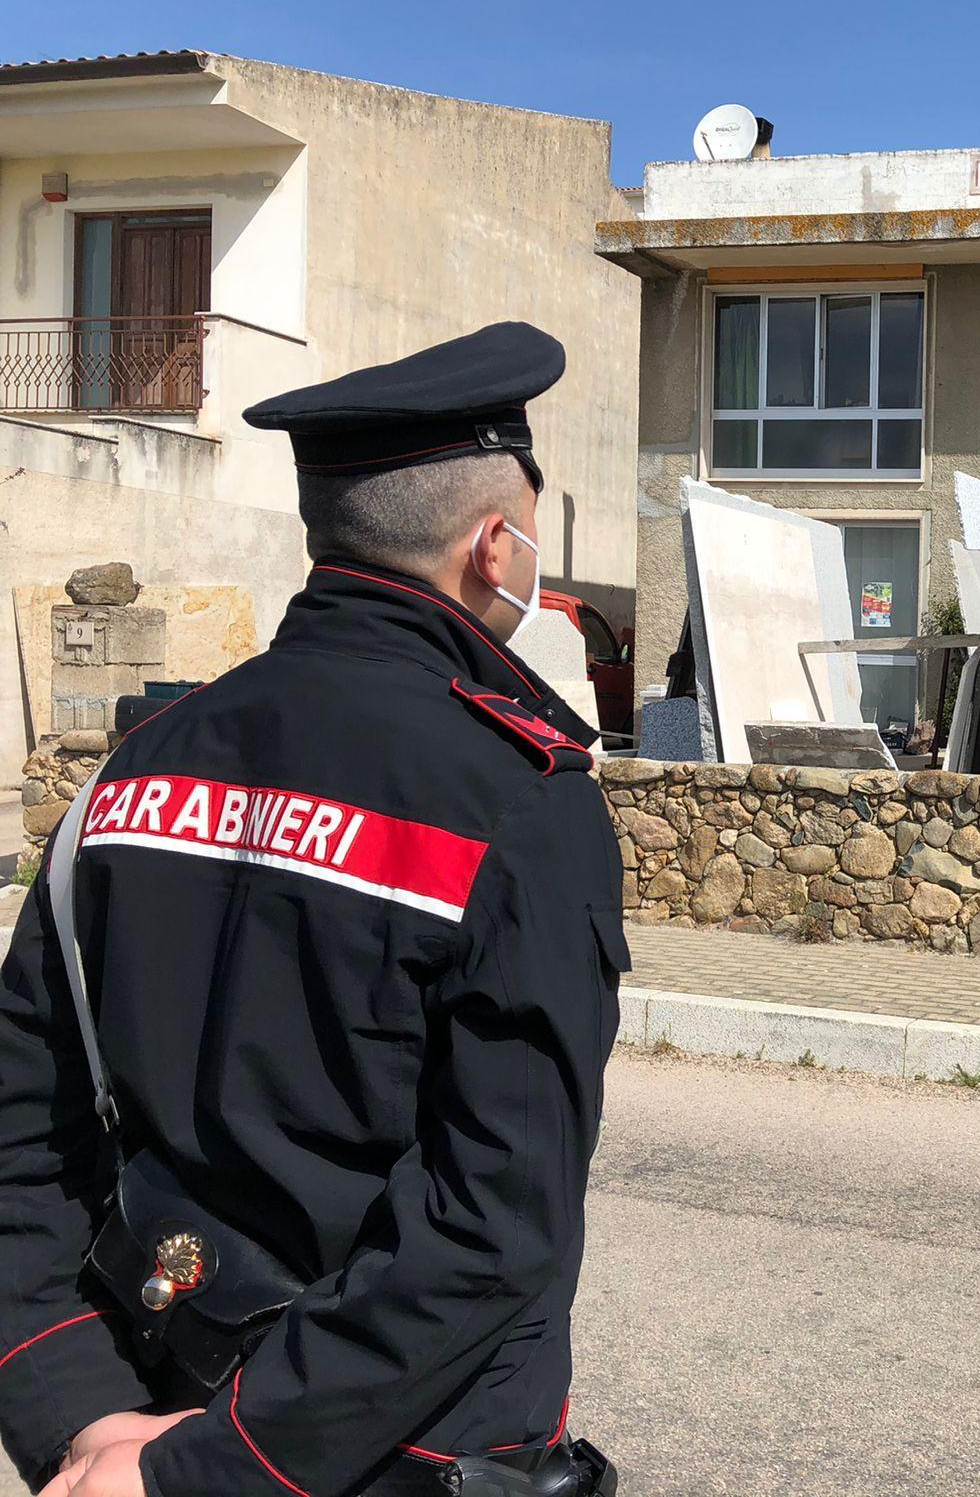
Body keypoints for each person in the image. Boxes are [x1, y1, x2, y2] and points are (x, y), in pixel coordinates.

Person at [0, 323, 625, 1497]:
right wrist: (213, 1467)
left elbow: (22, 1129)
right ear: (498, 549)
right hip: (386, 1452)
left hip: (131, 1406)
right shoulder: (519, 799)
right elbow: (494, 1224)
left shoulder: (132, 768)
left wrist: (76, 1415)